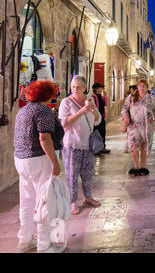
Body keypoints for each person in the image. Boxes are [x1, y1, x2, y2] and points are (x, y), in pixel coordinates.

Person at [13, 81, 64, 253]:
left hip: (21, 160)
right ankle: (44, 244)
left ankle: (24, 240)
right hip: (39, 159)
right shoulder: (43, 111)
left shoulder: (23, 110)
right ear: (49, 94)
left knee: (27, 202)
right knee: (46, 201)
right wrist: (55, 163)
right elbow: (44, 138)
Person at [59, 76, 102, 215]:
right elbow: (64, 123)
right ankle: (72, 202)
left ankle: (87, 197)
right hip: (72, 144)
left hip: (88, 143)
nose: (75, 89)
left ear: (84, 88)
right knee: (72, 174)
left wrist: (93, 110)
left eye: (78, 87)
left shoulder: (90, 100)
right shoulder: (66, 102)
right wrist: (82, 111)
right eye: (73, 87)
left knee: (88, 173)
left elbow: (97, 120)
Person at [122, 80, 155, 177]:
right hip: (133, 125)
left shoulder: (151, 98)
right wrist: (126, 116)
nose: (141, 88)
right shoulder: (131, 97)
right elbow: (124, 109)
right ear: (137, 87)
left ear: (147, 87)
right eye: (139, 86)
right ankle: (135, 167)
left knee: (144, 147)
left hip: (147, 126)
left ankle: (143, 166)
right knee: (133, 146)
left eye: (143, 86)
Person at [91, 83, 110, 154]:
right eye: (100, 88)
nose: (101, 89)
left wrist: (105, 95)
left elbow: (106, 104)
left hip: (101, 117)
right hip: (96, 118)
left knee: (102, 132)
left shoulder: (101, 96)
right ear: (96, 89)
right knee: (97, 133)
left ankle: (102, 148)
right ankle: (97, 148)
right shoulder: (93, 97)